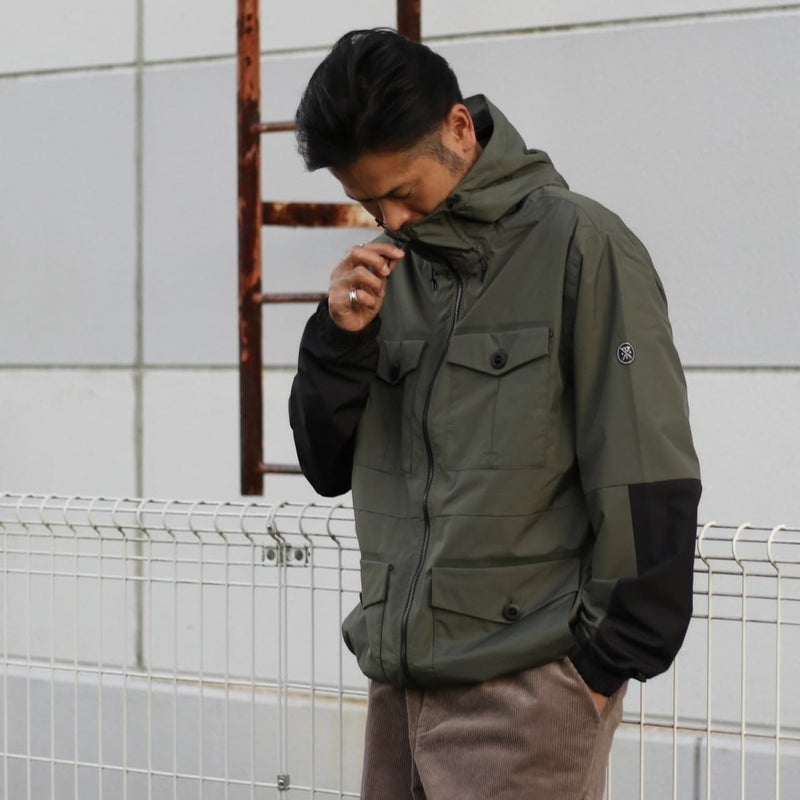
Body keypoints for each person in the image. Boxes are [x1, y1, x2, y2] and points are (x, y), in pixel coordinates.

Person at [289, 28, 701, 800]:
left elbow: (647, 469)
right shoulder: (386, 276)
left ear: (458, 128)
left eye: (402, 191)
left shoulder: (583, 246)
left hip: (529, 692)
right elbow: (325, 465)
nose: (391, 218)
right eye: (367, 202)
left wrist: (595, 672)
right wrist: (339, 341)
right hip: (398, 688)